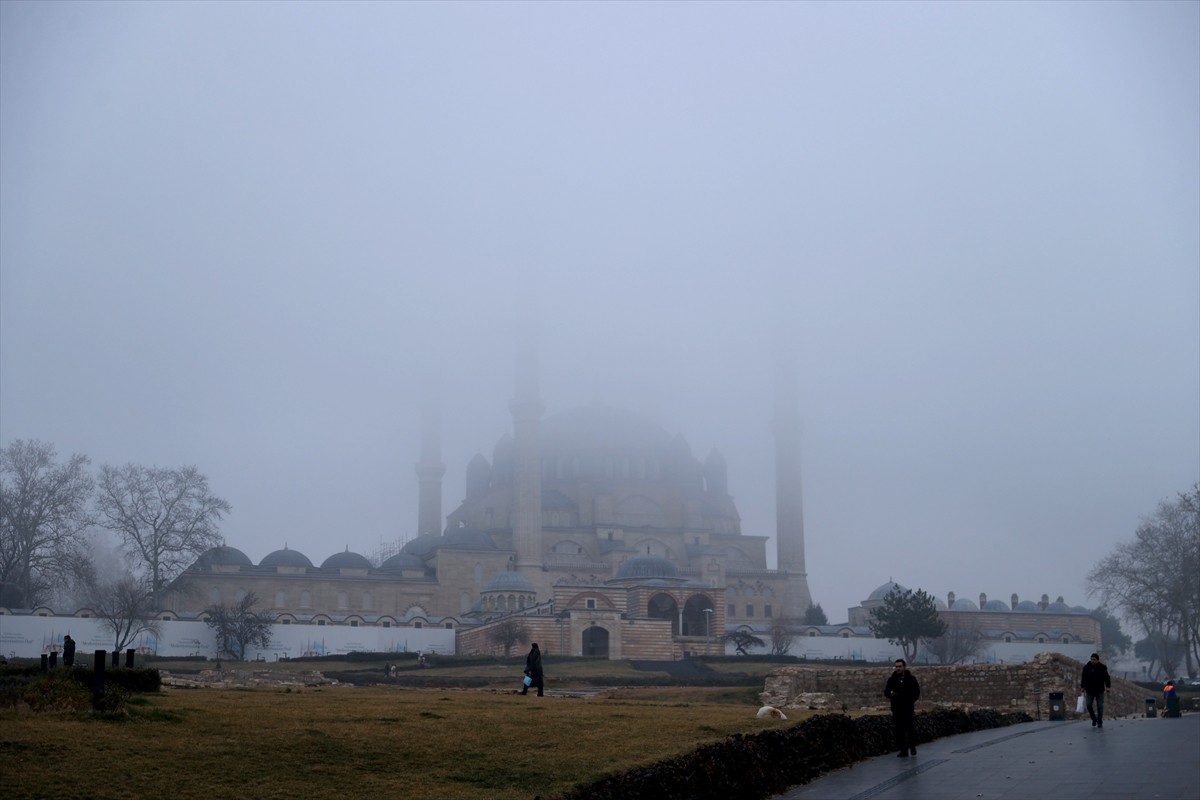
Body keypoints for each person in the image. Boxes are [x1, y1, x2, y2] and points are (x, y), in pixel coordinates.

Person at [883, 658, 920, 757]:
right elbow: (886, 692)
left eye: (900, 666)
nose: (898, 668)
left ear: (904, 667)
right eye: (896, 666)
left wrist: (911, 700)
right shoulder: (892, 680)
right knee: (899, 730)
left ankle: (912, 747)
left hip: (907, 708)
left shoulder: (911, 679)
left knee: (909, 728)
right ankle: (903, 750)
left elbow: (916, 692)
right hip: (897, 709)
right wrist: (891, 694)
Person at [1080, 652, 1111, 727]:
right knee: (1088, 704)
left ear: (1097, 660)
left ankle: (1099, 721)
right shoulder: (1087, 667)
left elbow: (1107, 678)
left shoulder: (1102, 668)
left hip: (1099, 690)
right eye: (1091, 659)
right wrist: (1082, 687)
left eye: (1094, 659)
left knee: (1100, 706)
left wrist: (1107, 687)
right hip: (1089, 690)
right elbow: (1083, 678)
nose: (1092, 661)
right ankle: (1094, 718)